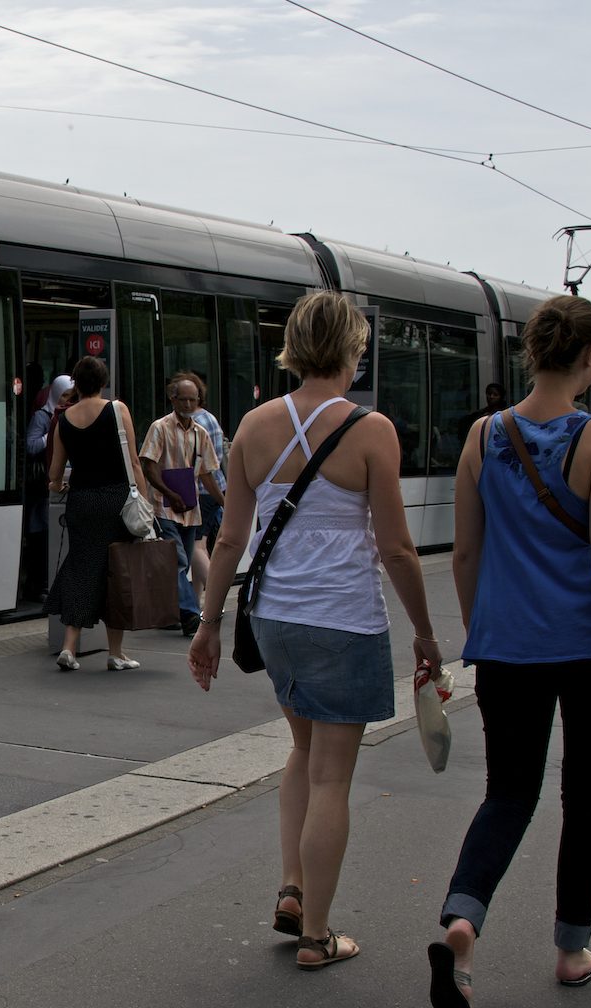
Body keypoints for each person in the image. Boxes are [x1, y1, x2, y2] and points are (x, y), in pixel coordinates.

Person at [187, 291, 439, 972]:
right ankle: (318, 935)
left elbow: (232, 536)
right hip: (343, 619)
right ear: (352, 348)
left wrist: (208, 624)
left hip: (273, 617)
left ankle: (293, 887)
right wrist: (425, 631)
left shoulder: (253, 426)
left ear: (294, 346)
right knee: (333, 775)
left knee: (301, 749)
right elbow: (396, 549)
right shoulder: (371, 429)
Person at [427, 294, 591, 1008]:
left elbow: (466, 551)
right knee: (587, 796)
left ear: (530, 354)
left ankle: (464, 918)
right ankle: (572, 948)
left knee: (507, 793)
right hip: (587, 648)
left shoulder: (484, 434)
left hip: (507, 649)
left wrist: (479, 630)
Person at [45, 355, 147, 672]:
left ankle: (69, 647)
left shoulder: (63, 419)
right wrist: (145, 499)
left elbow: (55, 473)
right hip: (115, 500)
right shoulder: (117, 410)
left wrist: (59, 486)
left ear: (75, 383)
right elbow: (133, 460)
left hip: (82, 502)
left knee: (82, 569)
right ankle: (115, 652)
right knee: (115, 573)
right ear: (103, 381)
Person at [141, 373, 223, 637]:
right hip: (164, 506)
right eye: (183, 399)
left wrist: (225, 503)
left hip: (191, 508)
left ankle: (170, 613)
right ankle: (190, 613)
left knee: (182, 564)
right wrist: (168, 492)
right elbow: (149, 465)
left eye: (192, 399)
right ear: (172, 399)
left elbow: (207, 474)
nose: (188, 404)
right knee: (176, 560)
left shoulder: (200, 433)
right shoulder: (160, 428)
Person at [22, 375, 77, 600]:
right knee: (41, 535)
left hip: (58, 485)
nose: (67, 400)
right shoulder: (43, 416)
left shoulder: (71, 416)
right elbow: (31, 444)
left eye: (71, 396)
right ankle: (39, 585)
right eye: (64, 395)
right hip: (43, 486)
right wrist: (54, 431)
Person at [189, 373, 228, 557]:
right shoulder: (209, 417)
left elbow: (199, 464)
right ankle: (198, 588)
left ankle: (212, 585)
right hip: (218, 486)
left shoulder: (193, 423)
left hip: (203, 490)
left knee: (196, 546)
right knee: (203, 545)